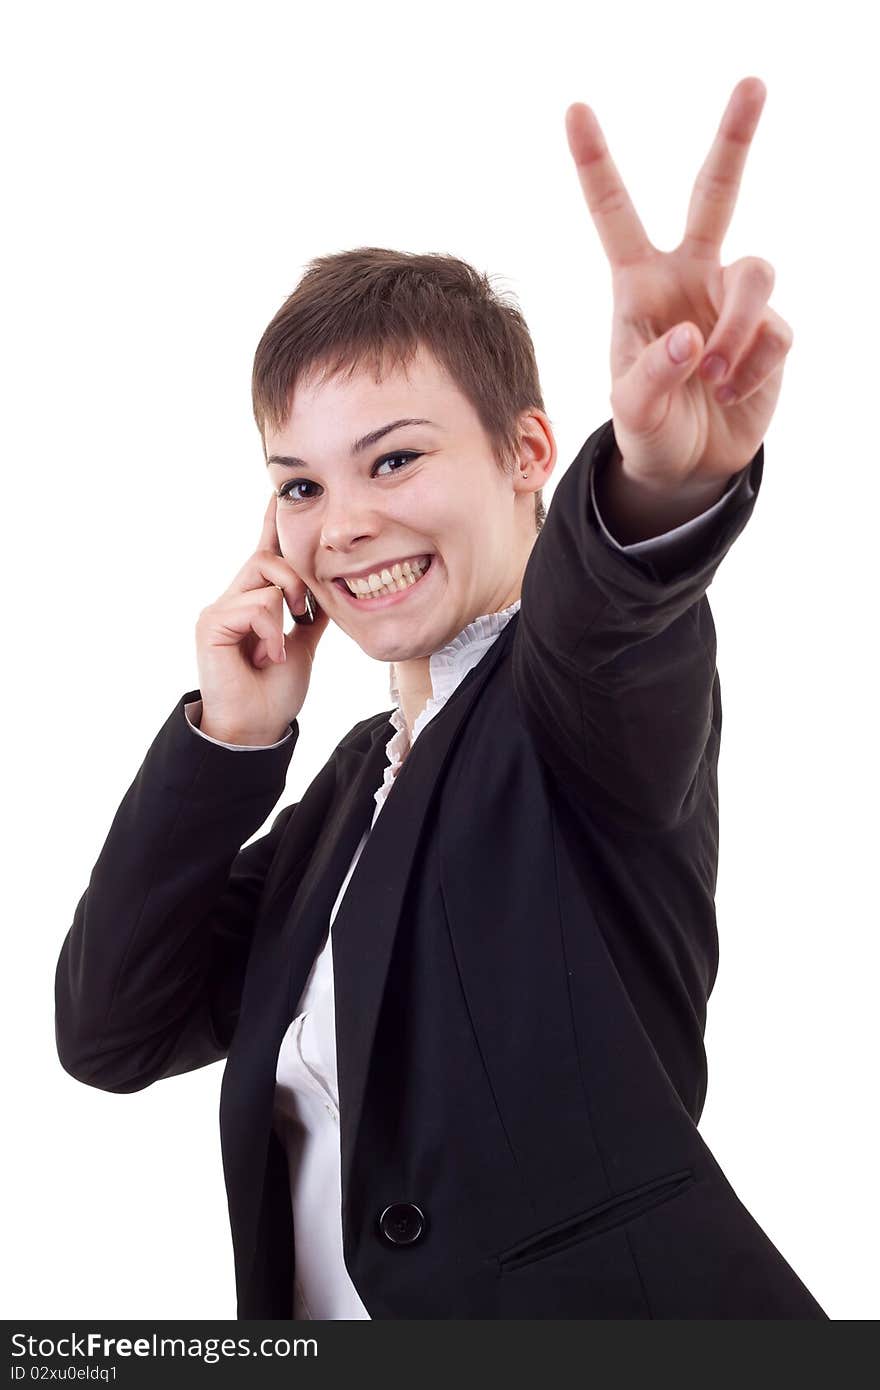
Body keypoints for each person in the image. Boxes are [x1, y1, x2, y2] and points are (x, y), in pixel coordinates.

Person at [54, 77, 828, 1319]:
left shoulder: (574, 705)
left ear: (527, 454)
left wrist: (653, 486)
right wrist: (231, 740)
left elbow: (610, 616)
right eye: (298, 486)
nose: (344, 526)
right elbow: (110, 1031)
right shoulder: (351, 792)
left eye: (396, 457)